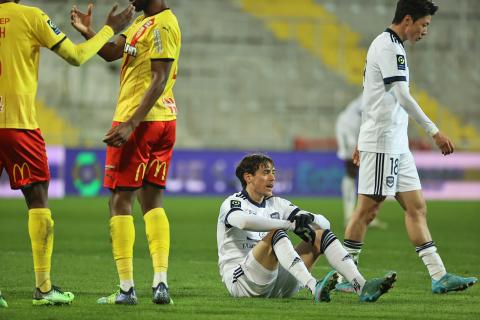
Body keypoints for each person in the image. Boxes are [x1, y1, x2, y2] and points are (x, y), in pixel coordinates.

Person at [0, 0, 134, 306]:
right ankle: (43, 288)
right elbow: (75, 56)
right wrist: (109, 29)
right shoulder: (31, 16)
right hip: (17, 124)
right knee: (37, 197)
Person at [341, 0, 477, 294]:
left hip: (395, 144)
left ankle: (439, 275)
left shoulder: (390, 45)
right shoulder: (389, 47)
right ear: (407, 19)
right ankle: (345, 278)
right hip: (382, 142)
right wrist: (434, 132)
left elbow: (371, 97)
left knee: (417, 207)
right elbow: (402, 97)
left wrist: (359, 139)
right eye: (424, 24)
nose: (425, 31)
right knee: (367, 209)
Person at [70, 0, 180, 305]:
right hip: (162, 121)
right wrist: (89, 31)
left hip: (140, 122)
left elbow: (159, 77)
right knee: (152, 199)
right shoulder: (143, 23)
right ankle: (160, 283)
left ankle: (127, 289)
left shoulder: (163, 25)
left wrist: (131, 123)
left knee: (119, 200)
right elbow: (110, 52)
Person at [217, 154, 396, 303]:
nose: (272, 177)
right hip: (243, 282)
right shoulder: (233, 202)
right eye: (265, 173)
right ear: (248, 177)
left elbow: (325, 224)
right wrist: (288, 224)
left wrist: (309, 218)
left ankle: (362, 286)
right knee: (276, 234)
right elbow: (243, 222)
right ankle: (313, 286)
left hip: (278, 283)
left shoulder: (277, 204)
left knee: (320, 235)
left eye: (273, 172)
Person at [335, 94, 387, 229]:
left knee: (372, 173)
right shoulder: (373, 96)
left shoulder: (383, 95)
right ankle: (349, 216)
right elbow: (366, 116)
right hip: (348, 128)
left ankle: (367, 215)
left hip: (361, 131)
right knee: (351, 170)